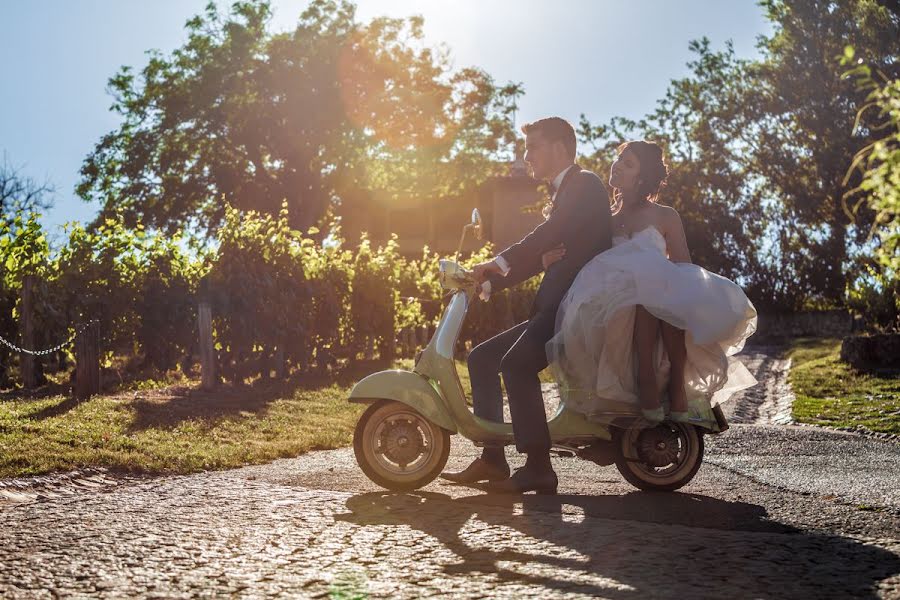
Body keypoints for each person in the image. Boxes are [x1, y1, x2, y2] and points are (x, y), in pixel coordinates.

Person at [440, 117, 612, 494]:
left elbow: (547, 235)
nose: (526, 155)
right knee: (482, 358)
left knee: (516, 366)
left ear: (559, 147)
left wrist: (497, 262)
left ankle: (538, 467)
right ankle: (493, 459)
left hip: (573, 309)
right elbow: (543, 255)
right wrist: (487, 279)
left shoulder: (584, 185)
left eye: (533, 146)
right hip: (556, 307)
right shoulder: (565, 192)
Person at [544, 140, 757, 426]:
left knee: (658, 286)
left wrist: (662, 281)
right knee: (640, 292)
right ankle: (645, 375)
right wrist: (548, 256)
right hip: (613, 294)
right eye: (619, 159)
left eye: (628, 164)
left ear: (642, 178)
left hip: (657, 291)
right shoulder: (604, 220)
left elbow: (683, 265)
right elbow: (579, 252)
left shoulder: (665, 215)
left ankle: (673, 382)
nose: (617, 166)